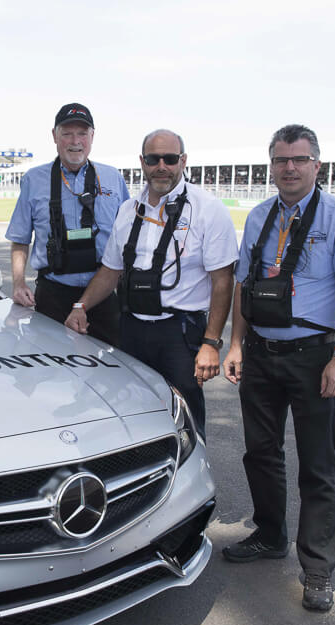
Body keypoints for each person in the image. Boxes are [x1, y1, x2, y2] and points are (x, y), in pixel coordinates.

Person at [221, 124, 335, 613]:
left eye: (299, 159)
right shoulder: (259, 216)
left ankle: (317, 568)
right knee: (260, 453)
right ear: (271, 165)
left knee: (318, 465)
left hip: (313, 357)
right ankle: (270, 534)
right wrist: (235, 344)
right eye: (281, 160)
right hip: (261, 353)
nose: (289, 168)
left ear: (317, 165)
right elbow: (244, 286)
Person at [64, 129, 236, 440]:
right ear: (142, 162)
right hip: (131, 330)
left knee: (186, 419)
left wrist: (211, 343)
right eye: (153, 159)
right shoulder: (129, 209)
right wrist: (81, 306)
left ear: (183, 161)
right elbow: (110, 270)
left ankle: (193, 471)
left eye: (169, 159)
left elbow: (222, 280)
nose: (161, 167)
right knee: (133, 415)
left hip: (180, 333)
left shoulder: (207, 208)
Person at [5, 103, 129, 345]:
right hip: (53, 292)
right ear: (54, 136)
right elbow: (20, 239)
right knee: (50, 361)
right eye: (67, 133)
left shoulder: (112, 177)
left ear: (92, 136)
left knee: (117, 364)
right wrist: (18, 284)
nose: (75, 141)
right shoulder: (33, 179)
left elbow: (129, 235)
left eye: (82, 133)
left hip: (102, 293)